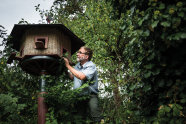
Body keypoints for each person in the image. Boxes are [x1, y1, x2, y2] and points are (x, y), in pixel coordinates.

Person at [63, 46, 102, 123]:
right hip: (79, 96)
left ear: (86, 56)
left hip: (91, 95)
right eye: (78, 52)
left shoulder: (91, 65)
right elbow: (72, 77)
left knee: (96, 117)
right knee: (79, 119)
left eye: (80, 52)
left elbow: (81, 76)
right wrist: (65, 69)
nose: (77, 54)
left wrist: (68, 65)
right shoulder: (77, 65)